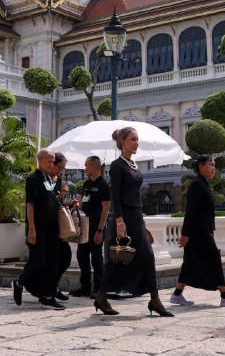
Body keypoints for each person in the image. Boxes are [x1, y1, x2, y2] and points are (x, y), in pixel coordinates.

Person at [94, 127, 173, 317]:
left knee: (147, 256)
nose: (136, 143)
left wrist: (142, 223)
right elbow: (116, 195)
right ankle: (102, 297)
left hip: (137, 217)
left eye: (137, 139)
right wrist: (120, 221)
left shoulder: (133, 164)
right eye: (133, 139)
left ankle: (154, 299)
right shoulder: (117, 166)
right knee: (117, 258)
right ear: (123, 142)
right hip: (125, 218)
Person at [170, 155, 225, 307]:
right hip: (199, 231)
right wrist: (185, 234)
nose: (213, 168)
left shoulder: (203, 184)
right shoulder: (196, 185)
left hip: (202, 230)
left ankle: (177, 294)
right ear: (201, 166)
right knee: (214, 259)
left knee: (189, 262)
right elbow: (190, 211)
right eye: (211, 165)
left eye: (215, 166)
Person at [12, 148, 64, 310]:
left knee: (52, 263)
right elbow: (30, 205)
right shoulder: (33, 179)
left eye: (52, 161)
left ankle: (48, 297)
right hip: (39, 228)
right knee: (38, 262)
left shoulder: (48, 179)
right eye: (48, 161)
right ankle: (19, 282)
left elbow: (51, 200)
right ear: (40, 159)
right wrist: (32, 229)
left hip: (52, 227)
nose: (51, 164)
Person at [70, 155, 110, 299]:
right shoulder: (87, 184)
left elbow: (105, 210)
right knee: (82, 255)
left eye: (86, 165)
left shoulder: (104, 186)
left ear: (93, 167)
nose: (85, 168)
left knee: (96, 257)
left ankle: (98, 288)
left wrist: (100, 229)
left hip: (96, 226)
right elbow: (84, 203)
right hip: (85, 226)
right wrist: (77, 205)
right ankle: (85, 286)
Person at [50, 152, 72, 302]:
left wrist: (66, 200)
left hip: (58, 224)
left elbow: (56, 202)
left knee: (65, 257)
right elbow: (48, 202)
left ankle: (54, 287)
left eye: (63, 168)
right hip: (49, 224)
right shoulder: (45, 179)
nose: (61, 171)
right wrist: (61, 196)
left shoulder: (58, 179)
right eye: (60, 167)